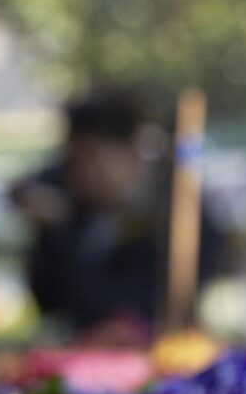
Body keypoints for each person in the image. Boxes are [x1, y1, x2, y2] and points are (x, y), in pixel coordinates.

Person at [12, 89, 159, 331]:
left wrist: (64, 230)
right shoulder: (78, 209)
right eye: (75, 161)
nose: (82, 173)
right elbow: (50, 304)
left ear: (132, 153)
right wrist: (52, 233)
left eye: (94, 158)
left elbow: (116, 311)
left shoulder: (168, 220)